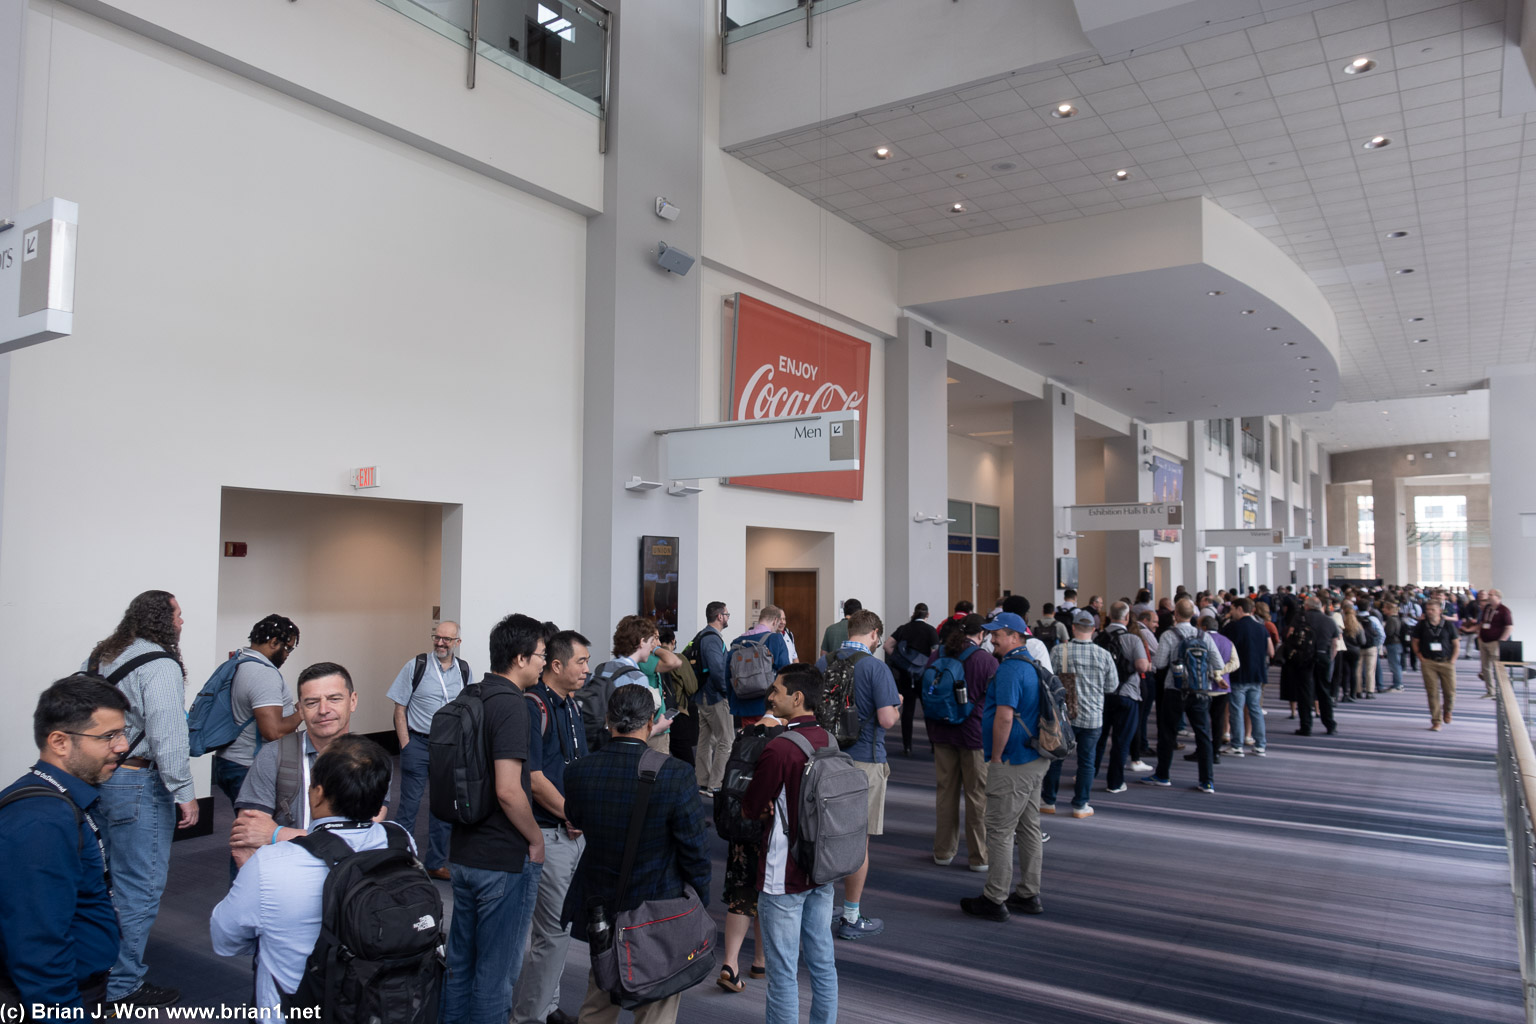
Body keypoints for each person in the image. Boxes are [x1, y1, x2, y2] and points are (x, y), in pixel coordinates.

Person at [210, 737, 411, 1019]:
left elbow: (225, 940)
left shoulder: (271, 865)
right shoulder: (401, 842)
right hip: (380, 1003)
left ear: (316, 793)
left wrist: (255, 865)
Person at [561, 685, 711, 1024]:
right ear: (651, 722)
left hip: (601, 904)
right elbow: (695, 850)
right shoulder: (675, 773)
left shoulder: (578, 772)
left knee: (600, 995)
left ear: (607, 720)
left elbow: (578, 819)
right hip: (659, 906)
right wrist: (697, 902)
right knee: (657, 1000)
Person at [81, 590, 198, 1008]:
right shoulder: (160, 664)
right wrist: (185, 792)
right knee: (140, 888)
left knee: (103, 883)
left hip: (97, 781)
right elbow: (168, 735)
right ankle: (122, 985)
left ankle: (95, 969)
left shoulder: (100, 657)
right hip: (138, 785)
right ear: (162, 621)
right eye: (179, 615)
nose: (183, 622)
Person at [0, 676, 130, 1015]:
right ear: (59, 742)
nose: (123, 745)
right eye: (109, 736)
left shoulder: (62, 801)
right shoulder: (43, 822)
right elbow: (37, 948)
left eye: (122, 732)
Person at [441, 613, 547, 1024]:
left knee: (460, 966)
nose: (542, 662)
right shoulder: (513, 706)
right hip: (502, 861)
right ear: (520, 658)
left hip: (464, 852)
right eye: (539, 655)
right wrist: (535, 839)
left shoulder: (471, 695)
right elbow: (508, 788)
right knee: (495, 977)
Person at [741, 665, 838, 1024]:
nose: (770, 696)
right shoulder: (830, 740)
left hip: (784, 872)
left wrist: (764, 806)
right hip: (823, 865)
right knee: (822, 962)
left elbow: (751, 806)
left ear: (797, 698)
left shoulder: (780, 748)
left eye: (776, 690)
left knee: (782, 973)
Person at [511, 630, 592, 1024]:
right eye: (581, 662)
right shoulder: (534, 707)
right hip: (549, 832)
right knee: (553, 934)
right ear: (556, 665)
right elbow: (535, 779)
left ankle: (548, 1005)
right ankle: (529, 1016)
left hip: (572, 830)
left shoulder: (571, 706)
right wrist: (571, 815)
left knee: (559, 931)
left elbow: (575, 767)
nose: (587, 669)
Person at [814, 608, 900, 940]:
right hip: (865, 760)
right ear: (875, 633)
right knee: (857, 842)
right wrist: (896, 704)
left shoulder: (824, 664)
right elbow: (888, 720)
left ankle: (819, 909)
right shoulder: (877, 668)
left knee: (824, 834)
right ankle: (851, 916)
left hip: (826, 759)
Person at [229, 663, 363, 868]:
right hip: (284, 877)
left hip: (348, 880)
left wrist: (276, 834)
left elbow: (363, 840)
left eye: (334, 699)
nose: (323, 710)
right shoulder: (273, 755)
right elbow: (246, 839)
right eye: (311, 702)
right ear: (300, 709)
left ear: (352, 701)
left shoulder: (369, 760)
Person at [961, 612, 1049, 921]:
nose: (990, 638)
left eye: (996, 633)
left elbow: (1005, 716)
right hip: (1034, 758)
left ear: (1014, 635)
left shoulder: (1010, 669)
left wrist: (995, 757)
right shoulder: (1032, 664)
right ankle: (1028, 893)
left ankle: (994, 897)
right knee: (1029, 826)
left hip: (1012, 760)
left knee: (998, 830)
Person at [388, 621, 470, 880]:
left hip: (448, 749)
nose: (440, 643)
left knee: (443, 808)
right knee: (409, 807)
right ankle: (400, 861)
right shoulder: (417, 665)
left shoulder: (464, 670)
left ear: (457, 642)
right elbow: (400, 708)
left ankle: (435, 863)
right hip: (418, 744)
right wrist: (406, 744)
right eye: (437, 637)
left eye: (447, 639)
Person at [925, 615, 996, 872]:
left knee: (946, 793)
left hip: (941, 733)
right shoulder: (985, 660)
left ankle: (943, 852)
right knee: (977, 797)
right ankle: (979, 857)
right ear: (982, 634)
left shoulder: (937, 656)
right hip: (974, 736)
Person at [212, 615, 303, 808]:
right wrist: (302, 712)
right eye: (288, 648)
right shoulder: (263, 674)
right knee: (261, 830)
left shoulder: (239, 661)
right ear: (273, 642)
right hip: (248, 766)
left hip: (229, 760)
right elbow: (273, 732)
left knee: (249, 826)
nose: (287, 655)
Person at [1142, 599, 1224, 793]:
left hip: (1175, 689)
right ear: (1193, 615)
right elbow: (1219, 663)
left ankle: (1163, 774)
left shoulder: (1170, 635)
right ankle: (1207, 780)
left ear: (1175, 615)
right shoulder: (1203, 635)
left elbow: (1160, 664)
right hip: (1200, 691)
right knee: (1203, 735)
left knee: (1167, 733)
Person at [1042, 610, 1115, 819]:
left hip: (1065, 717)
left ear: (1073, 627)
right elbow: (1112, 686)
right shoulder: (1104, 655)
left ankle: (1049, 800)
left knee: (1056, 758)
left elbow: (1049, 681)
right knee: (1087, 761)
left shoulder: (1059, 651)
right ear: (1093, 630)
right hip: (1093, 718)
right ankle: (1080, 805)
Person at [1096, 602, 1150, 791]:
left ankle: (1087, 775)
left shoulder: (1098, 637)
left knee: (1099, 738)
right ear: (1127, 618)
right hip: (1127, 693)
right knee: (1121, 741)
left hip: (1102, 695)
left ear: (1109, 616)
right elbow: (1142, 666)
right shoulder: (1133, 639)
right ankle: (1115, 782)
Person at [691, 602, 733, 794]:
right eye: (727, 614)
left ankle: (703, 780)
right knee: (726, 740)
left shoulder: (701, 635)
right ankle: (716, 784)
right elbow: (717, 670)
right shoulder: (713, 639)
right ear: (719, 616)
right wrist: (727, 692)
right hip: (714, 696)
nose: (728, 617)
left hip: (702, 695)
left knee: (705, 739)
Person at [1221, 599, 1272, 758]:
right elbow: (1270, 651)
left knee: (1236, 710)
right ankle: (1260, 745)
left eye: (1233, 609)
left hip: (1238, 674)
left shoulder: (1232, 627)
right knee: (1255, 709)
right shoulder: (1261, 628)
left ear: (1240, 609)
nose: (1231, 613)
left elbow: (1224, 650)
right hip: (1257, 674)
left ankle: (1237, 745)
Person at [886, 603, 939, 756]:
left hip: (905, 675)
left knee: (907, 711)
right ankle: (933, 744)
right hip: (924, 676)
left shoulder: (904, 628)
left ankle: (907, 746)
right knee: (928, 709)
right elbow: (934, 653)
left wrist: (901, 661)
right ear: (927, 615)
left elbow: (887, 646)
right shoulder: (930, 630)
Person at [728, 606, 793, 721]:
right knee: (771, 738)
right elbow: (785, 671)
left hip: (743, 704)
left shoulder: (737, 642)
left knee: (749, 737)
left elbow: (728, 674)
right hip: (769, 705)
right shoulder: (775, 639)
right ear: (775, 621)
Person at [1296, 596, 1341, 738]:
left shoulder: (1301, 618)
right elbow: (1335, 644)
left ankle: (1306, 726)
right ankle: (1330, 724)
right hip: (1323, 656)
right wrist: (1330, 658)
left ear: (1307, 606)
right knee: (1324, 691)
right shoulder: (1329, 621)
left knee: (1304, 692)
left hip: (1305, 657)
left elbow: (1291, 635)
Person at [1414, 600, 1460, 731]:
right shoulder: (1422, 625)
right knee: (1432, 693)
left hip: (1446, 662)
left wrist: (1453, 660)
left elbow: (1456, 644)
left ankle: (1448, 710)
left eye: (1432, 609)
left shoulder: (1448, 625)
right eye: (1428, 609)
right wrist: (1420, 657)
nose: (1429, 612)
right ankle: (1436, 721)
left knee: (1450, 692)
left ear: (1439, 611)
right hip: (1429, 662)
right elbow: (1415, 641)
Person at [1479, 589, 1515, 698]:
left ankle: (1501, 692)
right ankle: (1491, 691)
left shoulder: (1505, 611)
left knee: (1497, 668)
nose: (1488, 597)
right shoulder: (1487, 608)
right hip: (1483, 640)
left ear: (1497, 597)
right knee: (1485, 667)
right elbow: (1483, 622)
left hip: (1495, 643)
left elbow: (1509, 627)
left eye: (1490, 595)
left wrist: (1502, 641)